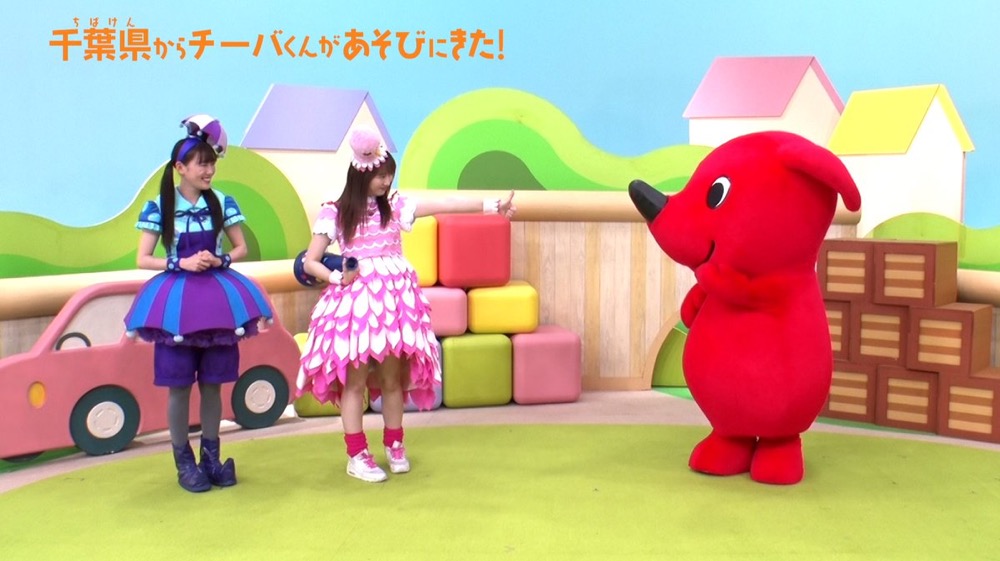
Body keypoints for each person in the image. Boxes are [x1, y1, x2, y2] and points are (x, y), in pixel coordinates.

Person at [297, 127, 516, 483]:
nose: (386, 182)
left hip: (394, 303)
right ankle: (357, 454)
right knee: (354, 382)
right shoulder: (334, 212)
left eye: (389, 175)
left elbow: (444, 204)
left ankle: (395, 444)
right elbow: (310, 261)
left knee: (391, 378)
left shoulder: (396, 206)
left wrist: (491, 206)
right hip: (357, 307)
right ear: (362, 174)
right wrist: (338, 278)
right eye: (381, 176)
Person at [124, 115, 273, 493]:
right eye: (202, 164)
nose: (209, 170)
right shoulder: (159, 206)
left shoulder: (222, 202)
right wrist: (182, 263)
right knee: (178, 385)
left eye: (212, 163)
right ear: (180, 168)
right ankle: (184, 463)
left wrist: (220, 259)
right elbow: (143, 258)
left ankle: (211, 458)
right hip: (177, 303)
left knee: (212, 384)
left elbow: (240, 246)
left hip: (217, 301)